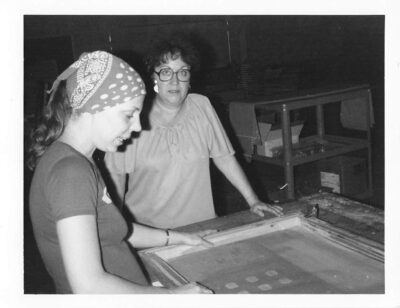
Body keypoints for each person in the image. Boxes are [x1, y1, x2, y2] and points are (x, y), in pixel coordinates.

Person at [28, 51, 214, 294]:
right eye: (129, 115)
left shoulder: (75, 160)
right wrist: (171, 296)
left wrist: (177, 237)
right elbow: (89, 286)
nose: (138, 126)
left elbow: (114, 229)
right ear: (92, 106)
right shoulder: (70, 172)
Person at [104, 35, 283, 229]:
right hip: (149, 232)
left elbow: (224, 157)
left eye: (183, 72)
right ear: (153, 77)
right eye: (165, 72)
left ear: (189, 78)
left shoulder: (201, 106)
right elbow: (116, 177)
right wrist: (117, 229)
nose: (174, 81)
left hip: (202, 227)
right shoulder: (134, 120)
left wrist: (253, 200)